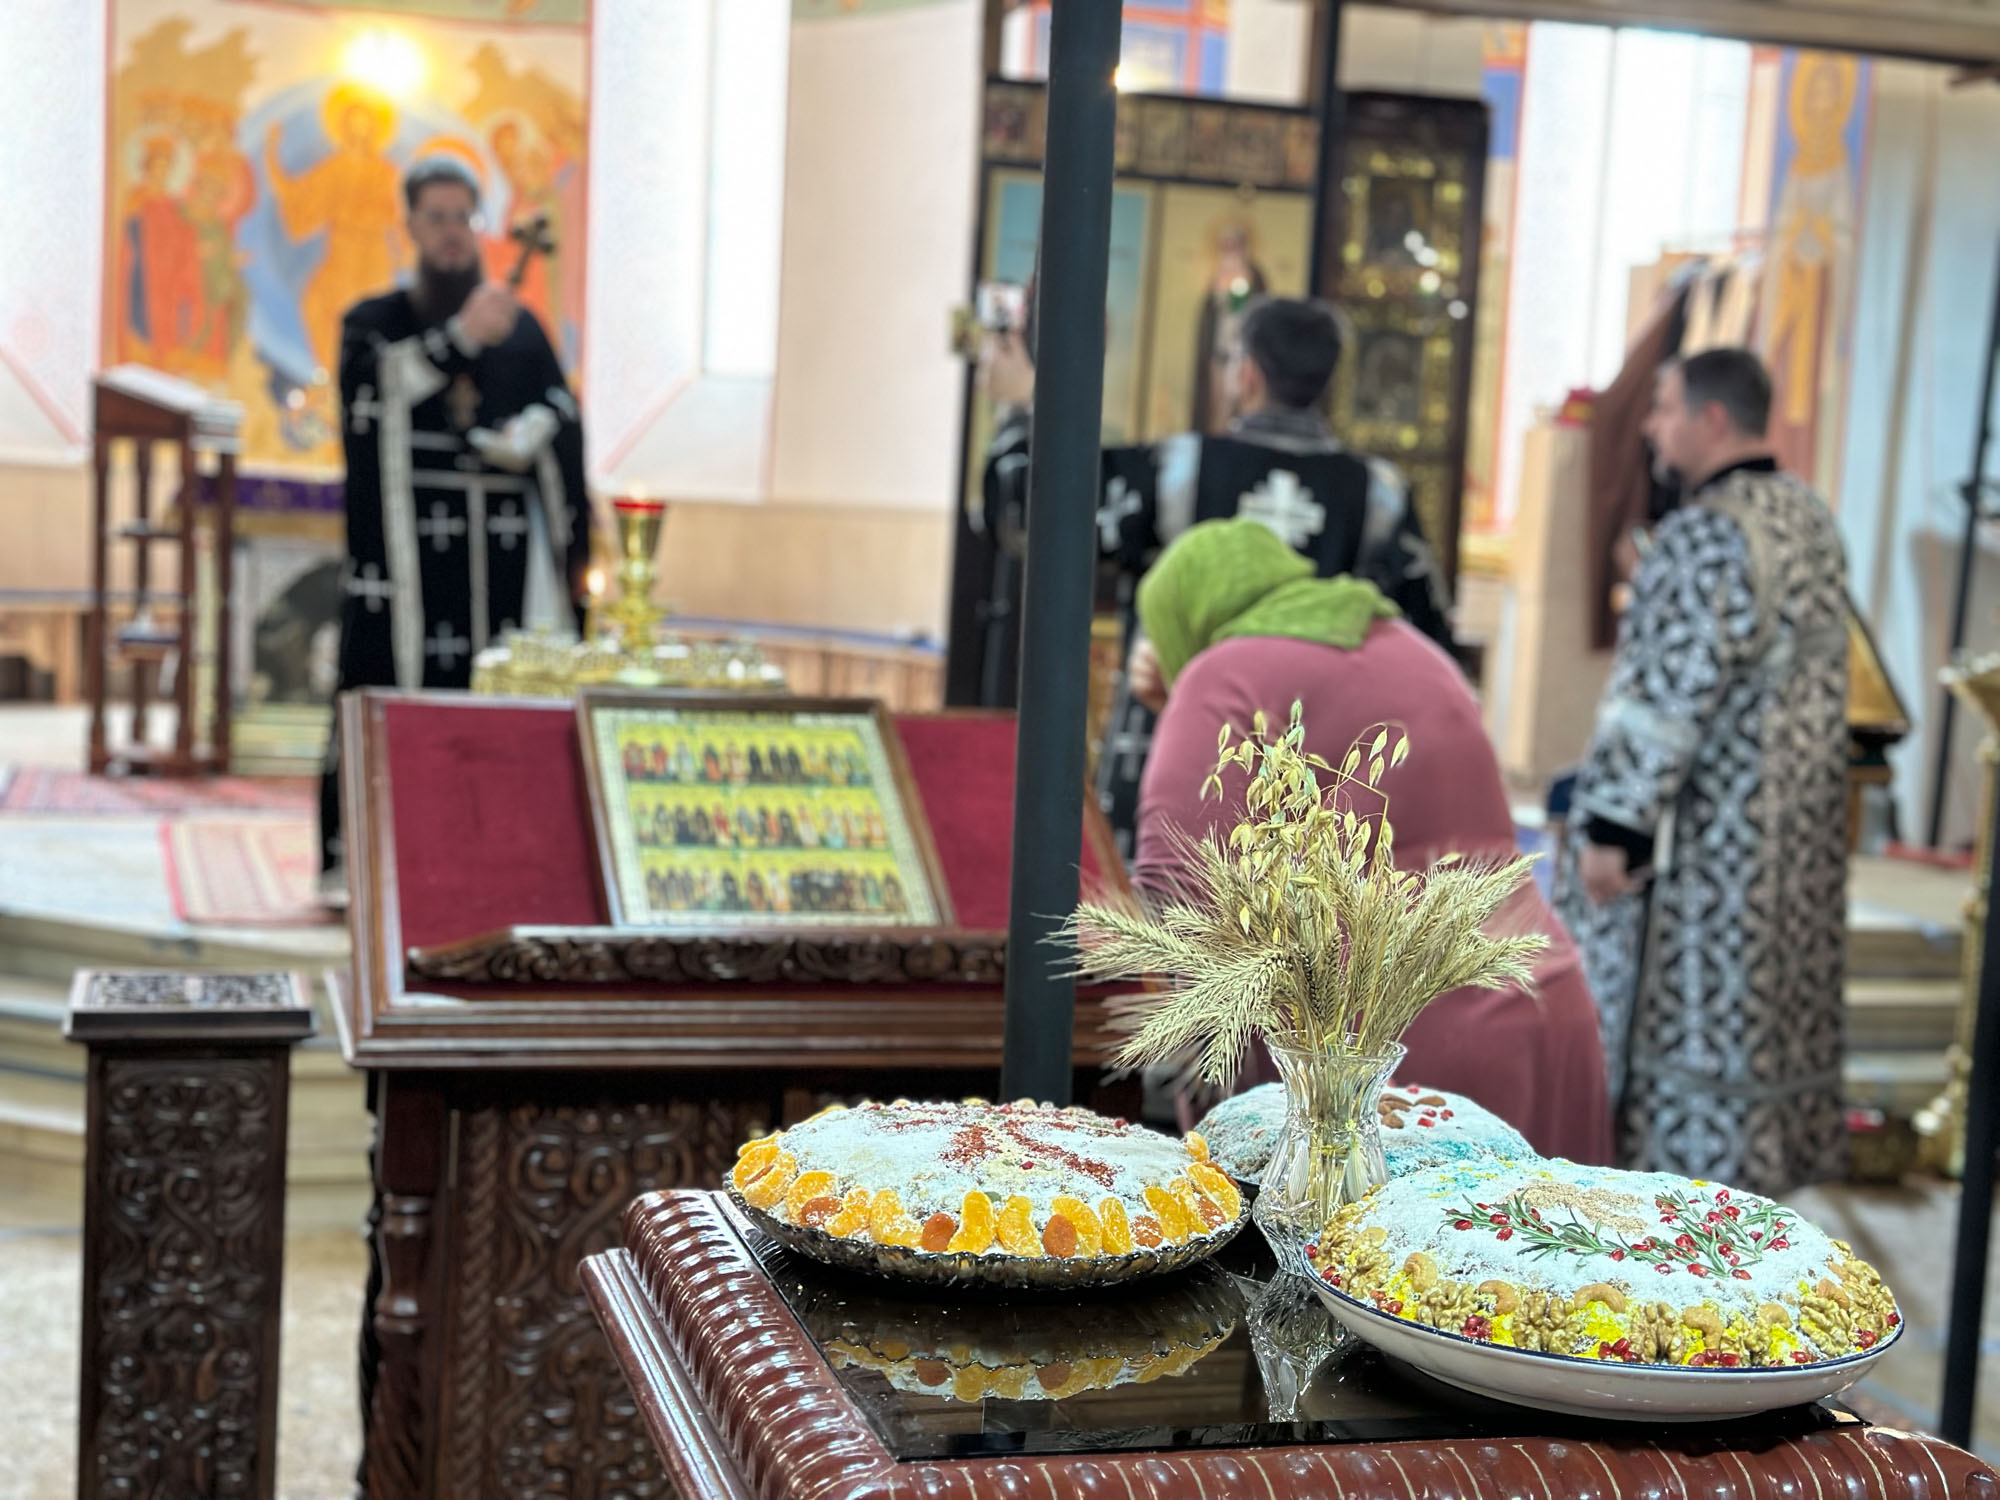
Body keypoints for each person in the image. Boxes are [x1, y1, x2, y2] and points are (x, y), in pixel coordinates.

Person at [1131, 519, 1612, 1163]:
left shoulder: (1218, 675)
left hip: (1392, 1059)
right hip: (1549, 1012)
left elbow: (1177, 889)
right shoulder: (1414, 648)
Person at [1556, 349, 1849, 1196]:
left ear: (1711, 419)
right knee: (1769, 1024)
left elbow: (1661, 698)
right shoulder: (1808, 517)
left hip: (1711, 850)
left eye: (1664, 408)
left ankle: (1683, 1210)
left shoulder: (1705, 532)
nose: (1652, 428)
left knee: (1689, 1030)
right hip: (1794, 840)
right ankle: (1760, 1199)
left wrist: (1612, 829)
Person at [318, 158, 590, 895]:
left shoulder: (521, 329)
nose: (450, 233)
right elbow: (373, 393)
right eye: (436, 217)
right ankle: (377, 859)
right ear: (410, 224)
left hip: (503, 552)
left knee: (497, 700)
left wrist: (529, 435)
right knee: (405, 691)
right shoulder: (374, 322)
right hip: (410, 560)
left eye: (463, 218)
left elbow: (561, 413)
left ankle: (501, 851)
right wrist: (460, 338)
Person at [1097, 297, 1453, 857]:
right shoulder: (1377, 493)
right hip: (1318, 784)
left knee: (1161, 903)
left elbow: (1046, 517)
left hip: (1172, 759)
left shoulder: (1175, 470)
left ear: (1247, 374)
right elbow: (1427, 639)